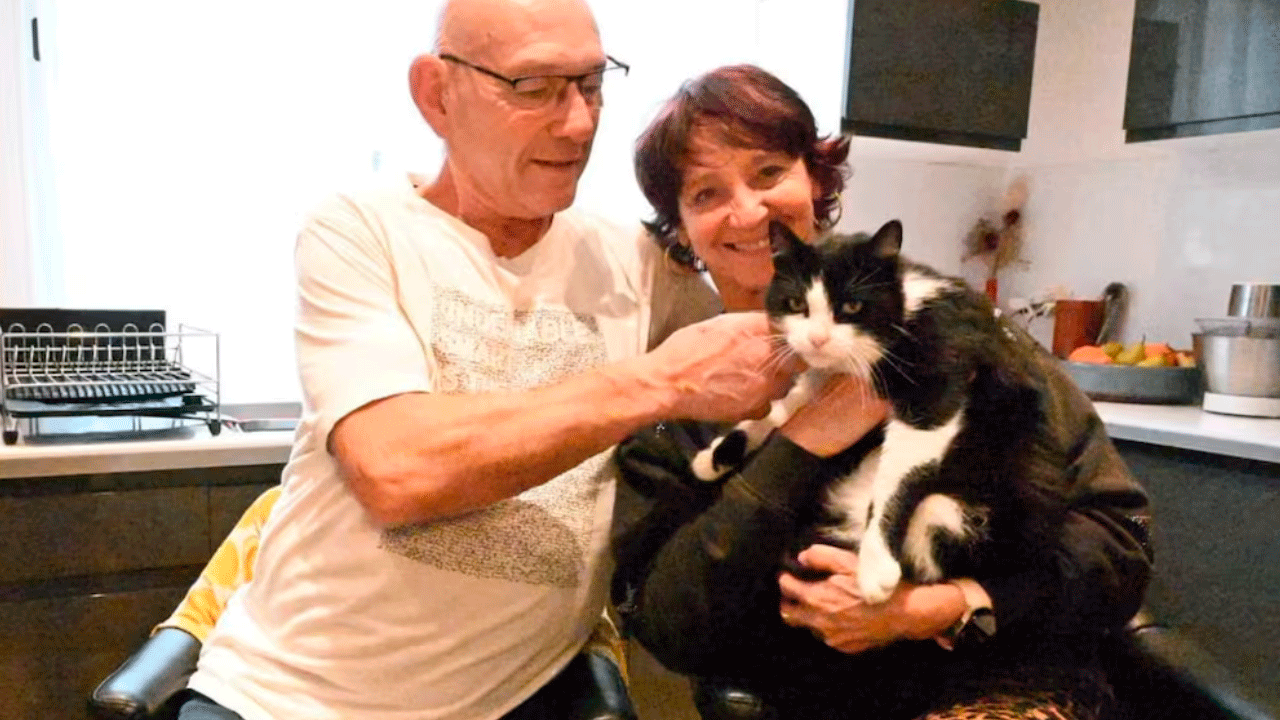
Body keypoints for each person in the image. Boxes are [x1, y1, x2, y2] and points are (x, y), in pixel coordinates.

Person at [177, 4, 798, 719]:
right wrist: (661, 380)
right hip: (284, 699)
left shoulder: (637, 262)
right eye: (534, 87)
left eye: (591, 85)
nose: (579, 124)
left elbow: (767, 352)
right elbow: (397, 470)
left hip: (517, 700)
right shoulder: (360, 230)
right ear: (436, 94)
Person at [612, 64, 1155, 720]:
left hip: (1010, 686)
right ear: (678, 228)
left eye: (769, 172)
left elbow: (1121, 537)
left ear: (815, 180)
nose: (749, 211)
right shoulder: (674, 403)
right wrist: (799, 447)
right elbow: (668, 625)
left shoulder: (950, 326)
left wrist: (941, 606)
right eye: (706, 193)